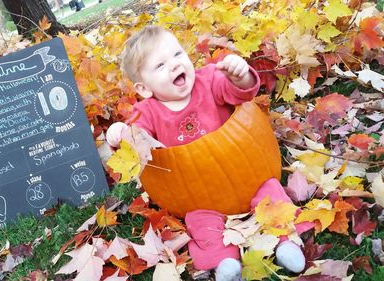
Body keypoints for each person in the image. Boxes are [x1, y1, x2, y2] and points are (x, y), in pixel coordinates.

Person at [106, 25, 309, 281]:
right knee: (198, 221)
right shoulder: (148, 113)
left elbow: (243, 93)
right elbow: (134, 143)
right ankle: (224, 261)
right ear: (145, 89)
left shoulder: (210, 80)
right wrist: (118, 133)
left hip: (248, 174)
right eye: (160, 66)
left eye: (177, 54)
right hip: (197, 196)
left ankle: (286, 240)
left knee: (271, 190)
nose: (174, 65)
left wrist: (240, 75)